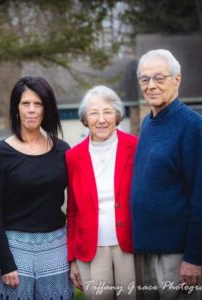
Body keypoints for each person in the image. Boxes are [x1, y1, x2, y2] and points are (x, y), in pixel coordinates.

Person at [131, 49, 202, 299]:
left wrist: (193, 257)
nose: (151, 85)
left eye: (159, 78)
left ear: (177, 80)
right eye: (145, 79)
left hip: (179, 255)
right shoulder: (149, 122)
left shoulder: (192, 126)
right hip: (147, 250)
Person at [0, 76, 73, 299]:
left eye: (38, 104)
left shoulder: (63, 151)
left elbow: (75, 205)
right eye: (25, 104)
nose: (32, 110)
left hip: (56, 248)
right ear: (16, 108)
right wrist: (6, 263)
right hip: (13, 249)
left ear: (47, 108)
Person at [66, 85, 137, 300]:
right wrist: (73, 259)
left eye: (107, 112)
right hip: (91, 248)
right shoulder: (73, 156)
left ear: (117, 115)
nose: (101, 119)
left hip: (129, 245)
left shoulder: (135, 146)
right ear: (85, 119)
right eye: (94, 113)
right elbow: (72, 211)